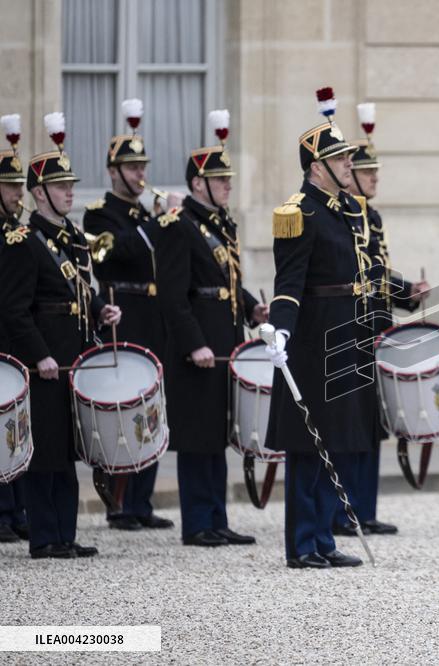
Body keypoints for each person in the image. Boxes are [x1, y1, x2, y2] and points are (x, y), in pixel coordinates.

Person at [0, 112, 122, 559]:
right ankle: (44, 537)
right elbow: (14, 309)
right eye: (61, 186)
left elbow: (77, 292)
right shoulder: (22, 240)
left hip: (73, 357)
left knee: (69, 447)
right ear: (38, 193)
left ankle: (65, 534)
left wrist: (100, 312)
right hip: (44, 360)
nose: (70, 191)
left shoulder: (71, 237)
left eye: (71, 185)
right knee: (45, 449)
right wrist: (39, 355)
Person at [264, 86, 376, 569]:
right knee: (309, 446)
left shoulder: (345, 211)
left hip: (346, 335)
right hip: (313, 340)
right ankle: (304, 544)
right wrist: (280, 329)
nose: (349, 165)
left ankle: (327, 538)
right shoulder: (299, 214)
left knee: (342, 439)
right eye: (340, 160)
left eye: (348, 158)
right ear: (317, 168)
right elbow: (289, 283)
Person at [156, 109, 267, 547]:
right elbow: (172, 296)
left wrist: (254, 309)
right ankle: (198, 523)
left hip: (225, 341)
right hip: (197, 345)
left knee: (217, 433)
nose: (228, 185)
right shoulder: (178, 227)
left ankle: (217, 518)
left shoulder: (221, 224)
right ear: (198, 184)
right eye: (220, 180)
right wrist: (194, 345)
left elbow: (228, 283)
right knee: (197, 435)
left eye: (229, 179)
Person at [334, 103, 428, 537]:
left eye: (375, 173)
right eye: (367, 172)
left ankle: (364, 509)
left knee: (372, 425)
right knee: (350, 427)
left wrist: (407, 294)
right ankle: (345, 511)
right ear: (349, 174)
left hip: (375, 326)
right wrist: (402, 284)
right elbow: (359, 271)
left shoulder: (371, 216)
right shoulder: (347, 216)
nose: (375, 179)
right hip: (349, 329)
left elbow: (377, 272)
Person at [83, 98, 173, 532]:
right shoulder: (99, 213)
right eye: (132, 168)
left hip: (154, 312)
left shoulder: (142, 215)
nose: (141, 175)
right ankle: (119, 501)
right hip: (126, 311)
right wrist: (155, 225)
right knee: (126, 408)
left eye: (143, 167)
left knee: (153, 403)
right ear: (113, 172)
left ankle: (142, 500)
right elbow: (110, 254)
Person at [0, 113, 30, 543]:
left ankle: (18, 509)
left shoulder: (19, 229)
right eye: (11, 186)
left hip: (17, 334)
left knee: (20, 424)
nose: (19, 193)